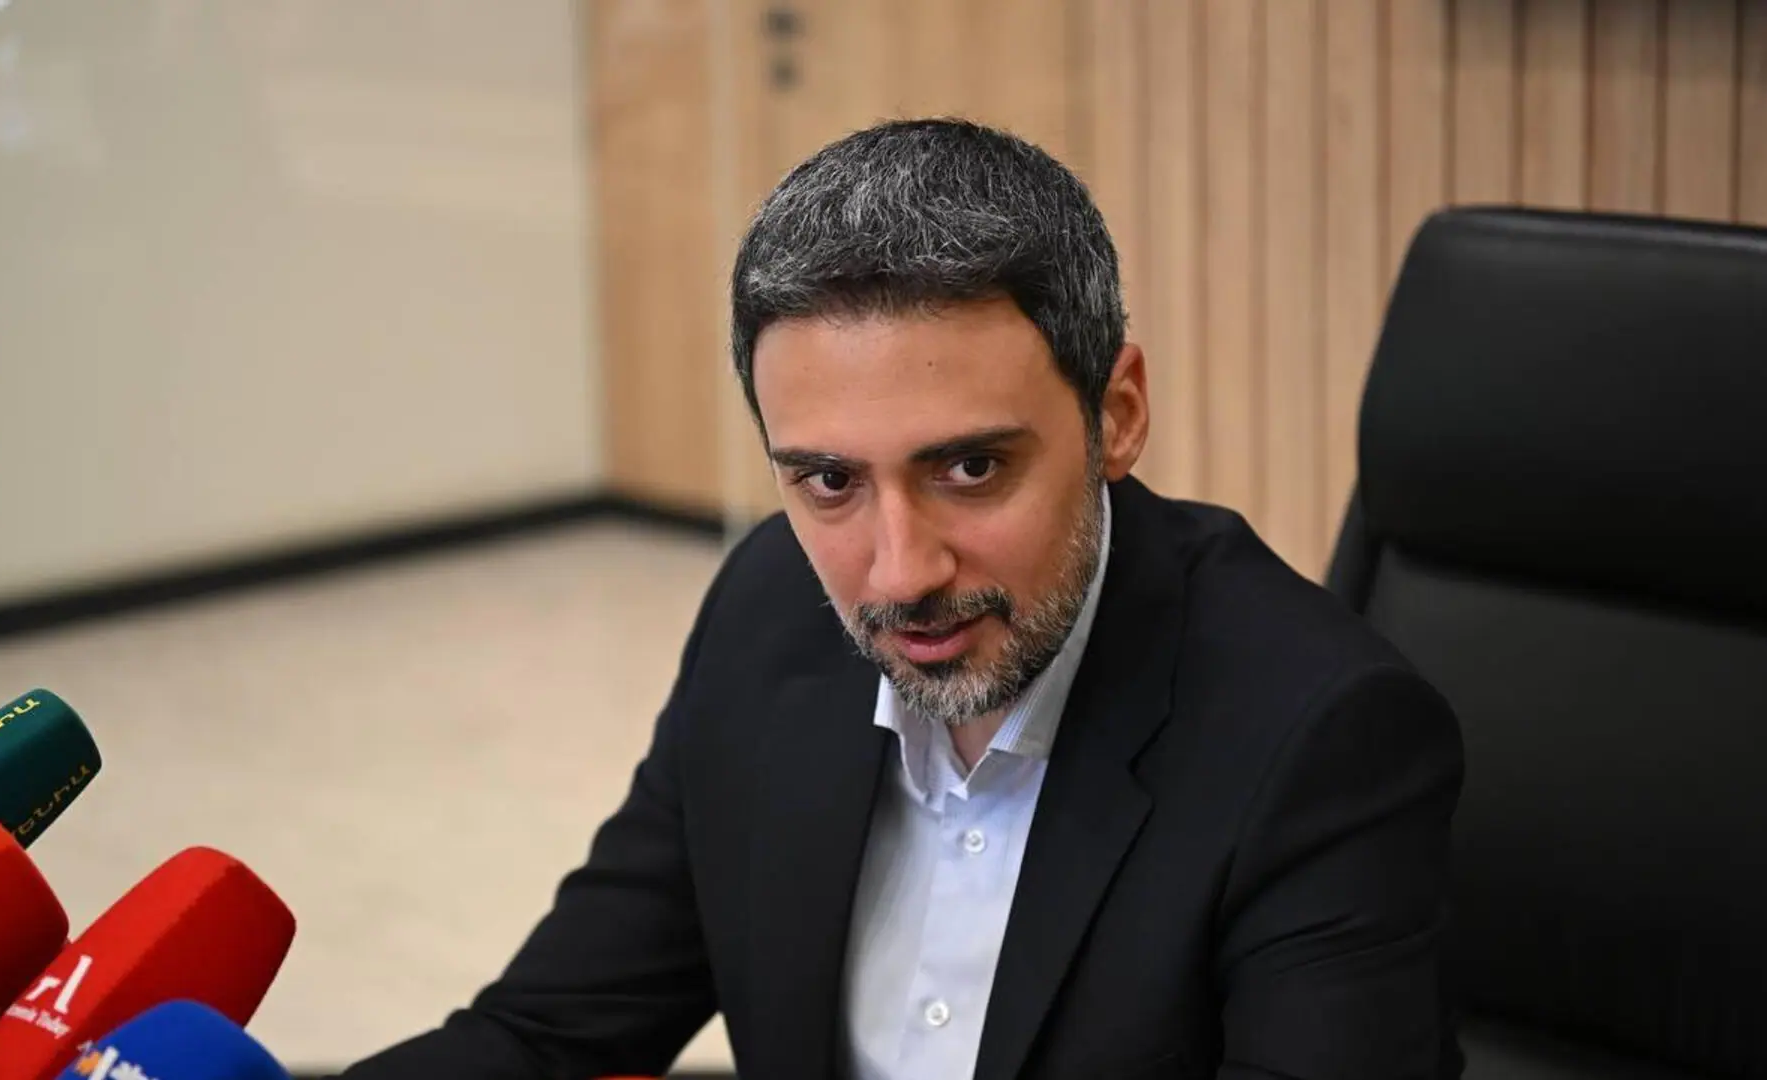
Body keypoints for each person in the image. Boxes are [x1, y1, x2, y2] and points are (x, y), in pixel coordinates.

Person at [341, 119, 1464, 1080]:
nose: (898, 574)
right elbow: (546, 1034)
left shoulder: (1319, 736)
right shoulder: (768, 608)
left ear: (1116, 415)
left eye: (970, 468)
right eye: (829, 482)